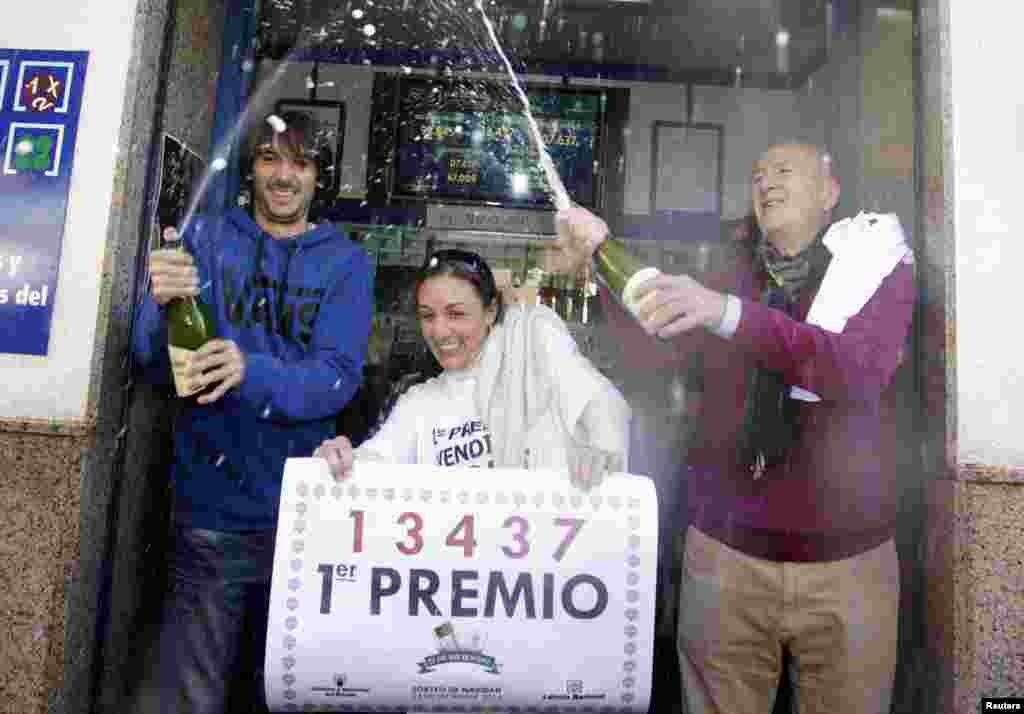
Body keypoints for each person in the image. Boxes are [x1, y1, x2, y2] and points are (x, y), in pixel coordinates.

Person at [554, 141, 915, 714]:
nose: (766, 182)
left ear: (830, 191)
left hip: (849, 566)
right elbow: (660, 351)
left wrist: (729, 314)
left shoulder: (878, 263)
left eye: (784, 170)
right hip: (726, 558)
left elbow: (853, 372)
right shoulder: (725, 271)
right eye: (757, 174)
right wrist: (600, 257)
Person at [130, 111, 373, 714]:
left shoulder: (345, 262)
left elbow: (336, 380)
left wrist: (251, 370)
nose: (283, 176)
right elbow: (153, 364)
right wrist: (158, 305)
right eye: (269, 158)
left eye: (301, 162)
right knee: (195, 694)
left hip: (305, 512)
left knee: (292, 692)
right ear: (251, 170)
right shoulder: (206, 241)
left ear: (321, 177)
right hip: (210, 508)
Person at [316, 248, 630, 492]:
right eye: (428, 316)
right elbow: (374, 464)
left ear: (490, 311)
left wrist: (599, 451)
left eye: (456, 314)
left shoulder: (533, 349)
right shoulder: (420, 401)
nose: (440, 331)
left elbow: (598, 401)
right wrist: (341, 458)